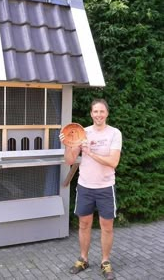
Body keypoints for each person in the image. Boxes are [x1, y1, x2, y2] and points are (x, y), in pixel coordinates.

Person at [59, 99, 122, 280]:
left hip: (105, 187)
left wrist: (90, 153)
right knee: (84, 224)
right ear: (91, 113)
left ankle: (105, 262)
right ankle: (83, 259)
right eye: (95, 112)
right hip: (85, 186)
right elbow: (70, 160)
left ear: (107, 113)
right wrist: (69, 146)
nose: (99, 115)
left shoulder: (114, 133)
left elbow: (113, 162)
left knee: (107, 227)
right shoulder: (82, 132)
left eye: (102, 111)